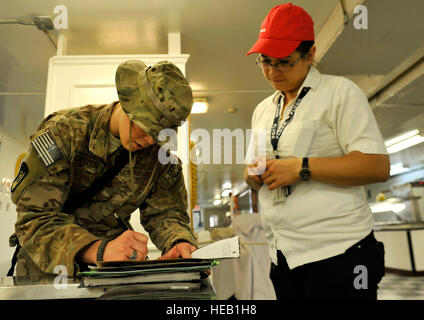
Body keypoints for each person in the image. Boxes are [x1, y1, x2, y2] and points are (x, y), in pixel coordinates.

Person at [244, 3, 389, 300]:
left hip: (338, 252)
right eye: (265, 61)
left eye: (284, 62)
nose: (272, 71)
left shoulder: (340, 93)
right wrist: (253, 175)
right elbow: (251, 174)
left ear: (310, 54)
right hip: (282, 254)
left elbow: (376, 166)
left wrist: (301, 167)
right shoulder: (263, 110)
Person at [8, 60, 197, 278]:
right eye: (146, 128)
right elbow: (34, 218)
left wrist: (179, 241)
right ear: (128, 104)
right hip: (48, 269)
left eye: (159, 134)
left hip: (113, 272)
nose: (149, 140)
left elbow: (166, 213)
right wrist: (99, 250)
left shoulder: (159, 158)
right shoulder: (65, 131)